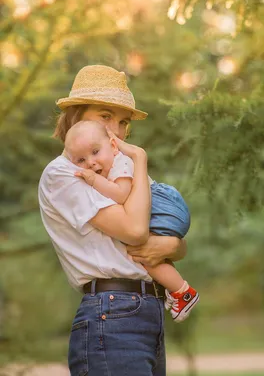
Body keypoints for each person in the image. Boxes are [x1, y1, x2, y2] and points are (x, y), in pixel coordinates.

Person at [38, 65, 188, 376]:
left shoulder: (113, 167)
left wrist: (172, 243)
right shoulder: (65, 173)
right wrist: (141, 159)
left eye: (123, 122)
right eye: (105, 116)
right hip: (112, 311)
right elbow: (135, 231)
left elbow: (171, 240)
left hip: (148, 310)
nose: (116, 131)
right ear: (76, 115)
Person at [64, 120, 199, 322]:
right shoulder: (110, 163)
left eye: (95, 152)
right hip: (160, 209)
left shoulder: (121, 163)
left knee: (140, 251)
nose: (90, 163)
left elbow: (121, 194)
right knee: (149, 255)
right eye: (81, 160)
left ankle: (183, 292)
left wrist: (93, 180)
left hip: (162, 209)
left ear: (112, 145)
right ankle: (177, 289)